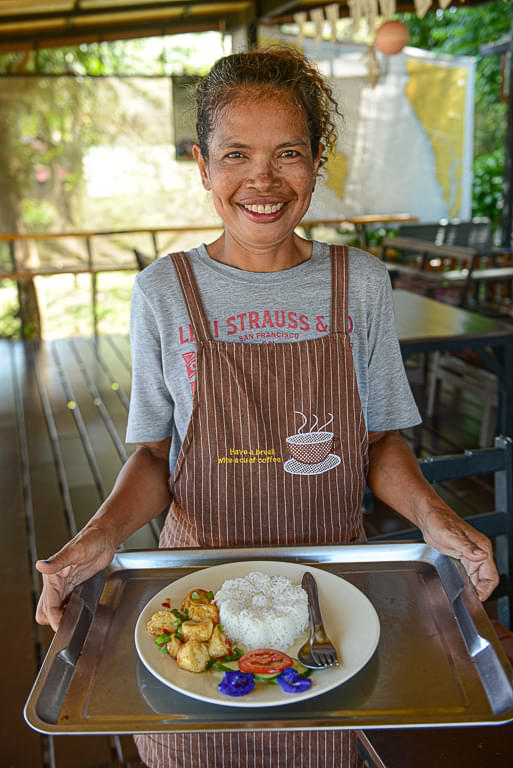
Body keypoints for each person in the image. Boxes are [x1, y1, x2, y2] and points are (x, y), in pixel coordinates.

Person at [35, 47, 499, 768]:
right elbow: (156, 454)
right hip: (194, 595)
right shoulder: (165, 290)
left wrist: (436, 520)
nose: (262, 178)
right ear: (202, 165)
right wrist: (98, 539)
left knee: (318, 736)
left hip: (328, 596)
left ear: (318, 161)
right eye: (235, 153)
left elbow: (380, 443)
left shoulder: (359, 283)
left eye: (288, 152)